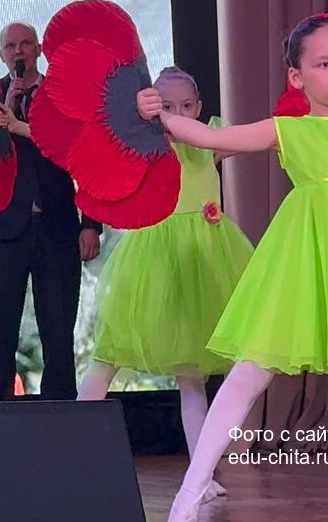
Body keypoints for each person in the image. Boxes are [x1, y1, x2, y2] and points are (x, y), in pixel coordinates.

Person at [151, 15, 328, 522]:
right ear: (297, 77)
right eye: (325, 64)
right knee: (248, 373)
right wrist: (160, 114)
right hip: (304, 259)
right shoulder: (288, 130)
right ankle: (190, 491)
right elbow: (207, 137)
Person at [75, 67, 253, 501]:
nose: (178, 114)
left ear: (200, 107)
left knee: (191, 375)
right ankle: (68, 449)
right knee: (110, 354)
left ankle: (201, 474)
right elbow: (93, 146)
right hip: (154, 255)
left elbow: (256, 138)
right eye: (168, 106)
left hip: (203, 257)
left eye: (186, 106)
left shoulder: (210, 139)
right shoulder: (145, 142)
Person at [0, 21, 101, 401]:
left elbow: (86, 157)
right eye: (11, 46)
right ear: (1, 54)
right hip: (5, 227)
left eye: (26, 44)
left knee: (58, 327)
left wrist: (91, 225)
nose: (19, 51)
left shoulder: (63, 96)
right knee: (0, 328)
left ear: (38, 49)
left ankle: (61, 413)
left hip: (58, 225)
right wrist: (9, 106)